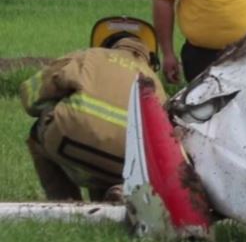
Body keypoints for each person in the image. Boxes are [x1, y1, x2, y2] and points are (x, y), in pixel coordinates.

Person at [20, 17, 167, 202]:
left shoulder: (90, 56)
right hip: (123, 167)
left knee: (39, 132)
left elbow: (30, 96)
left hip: (66, 145)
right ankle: (115, 194)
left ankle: (62, 202)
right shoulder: (156, 84)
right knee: (118, 152)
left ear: (106, 44)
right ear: (150, 57)